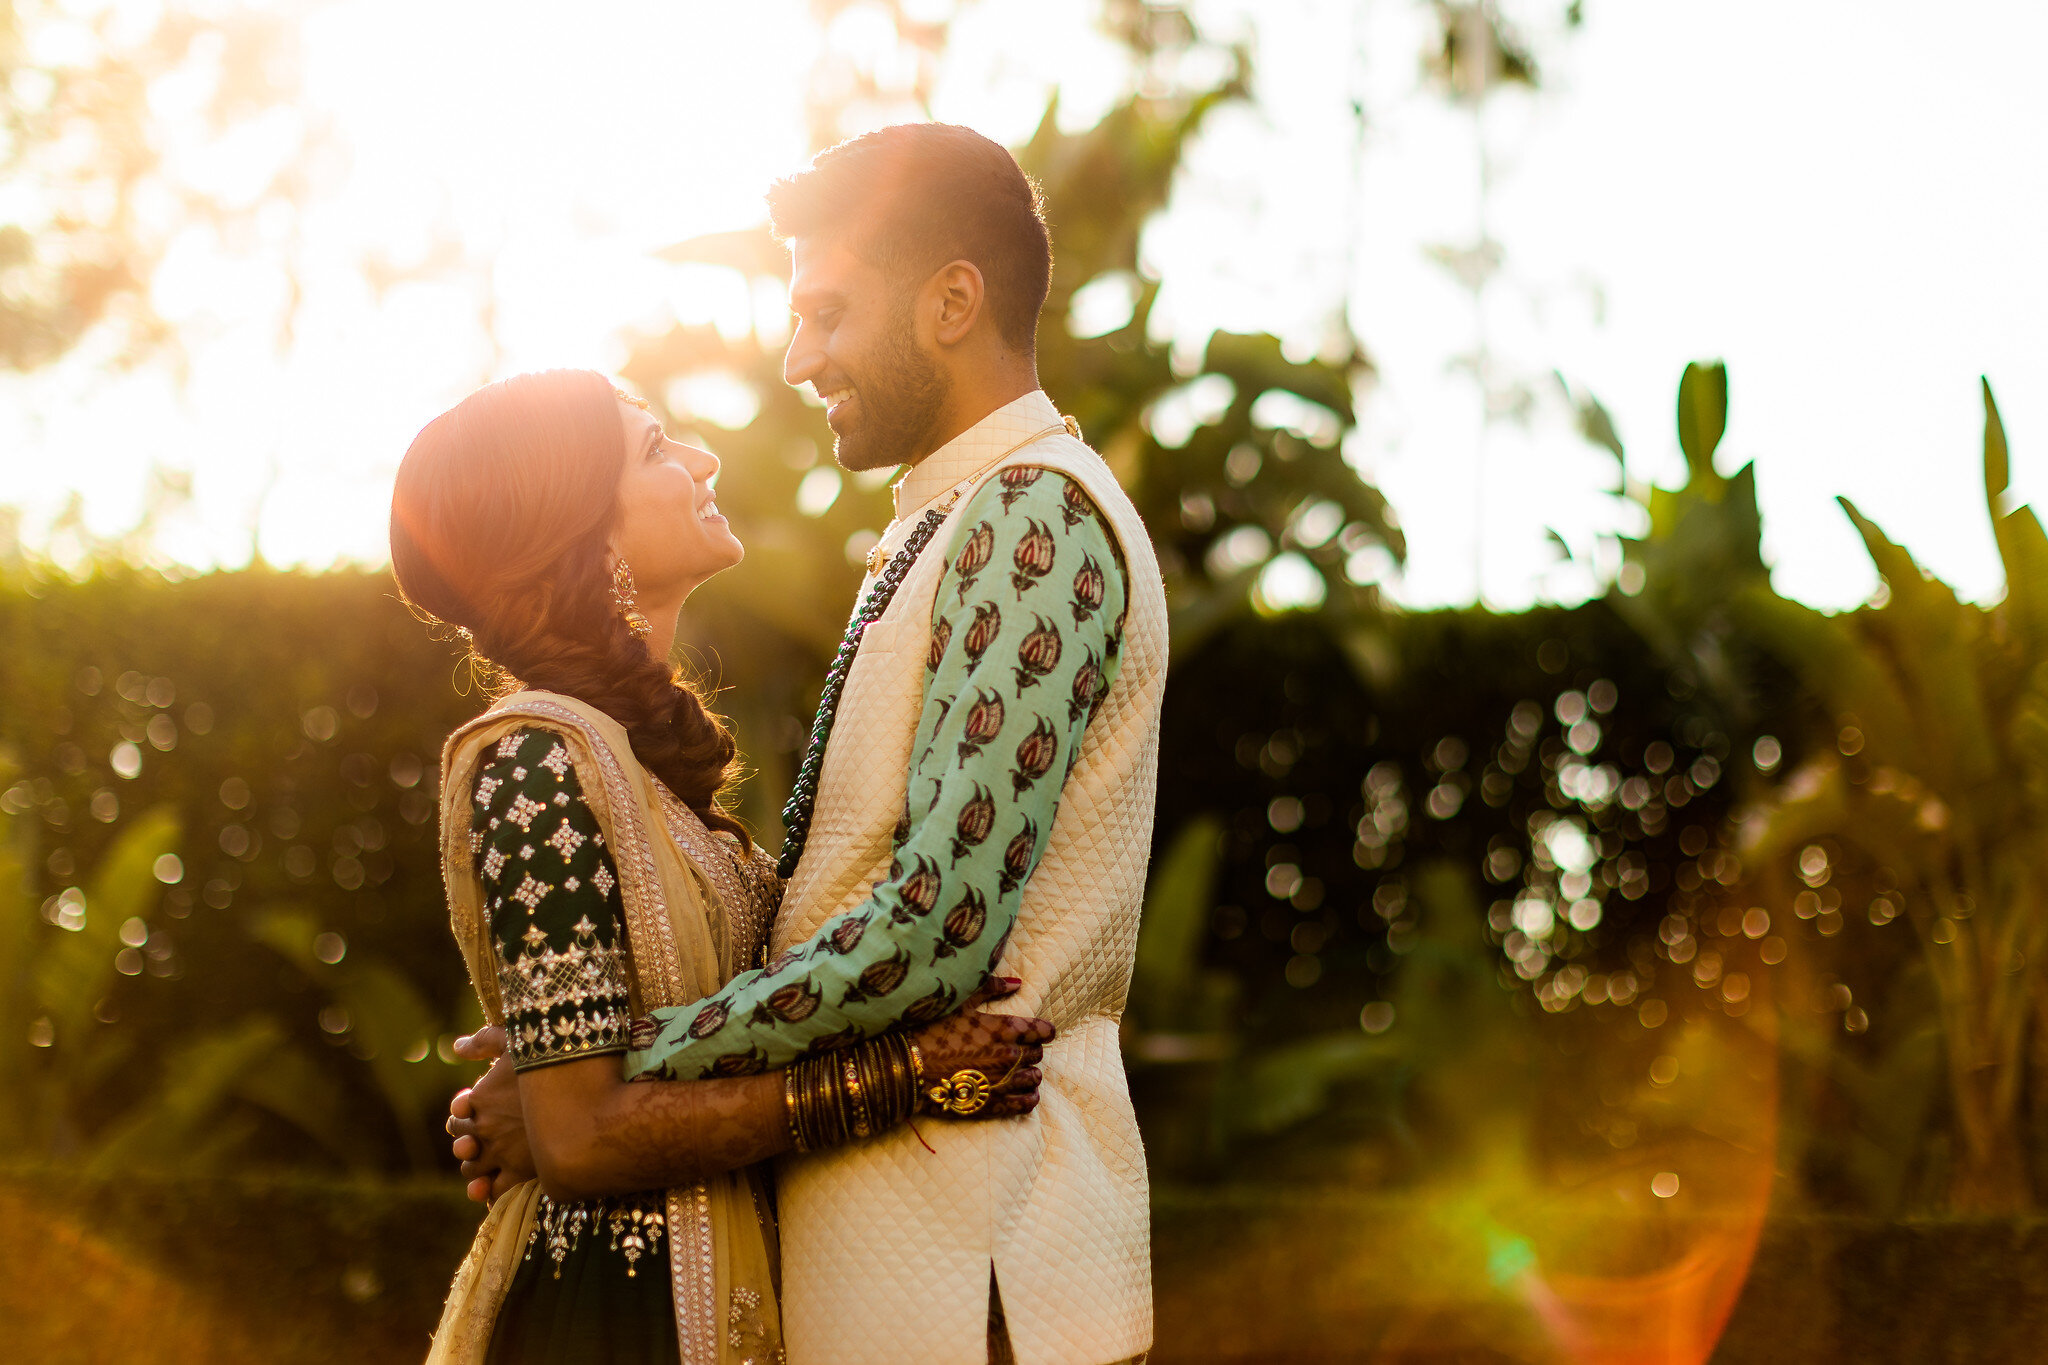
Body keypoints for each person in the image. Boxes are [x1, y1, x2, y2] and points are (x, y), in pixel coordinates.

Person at [454, 123, 1168, 1365]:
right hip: (911, 1259)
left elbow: (929, 934)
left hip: (982, 1264)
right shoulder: (950, 520)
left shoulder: (1030, 518)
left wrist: (612, 1074)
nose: (798, 357)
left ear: (953, 301)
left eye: (828, 313)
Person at [391, 367, 1055, 1365]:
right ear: (584, 532)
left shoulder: (641, 771)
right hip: (615, 1320)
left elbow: (606, 1084)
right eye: (656, 448)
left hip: (733, 1293)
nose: (702, 460)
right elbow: (577, 1139)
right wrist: (898, 1079)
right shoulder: (533, 759)